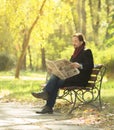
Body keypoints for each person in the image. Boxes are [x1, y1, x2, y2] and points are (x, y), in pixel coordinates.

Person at [31, 33, 94, 114]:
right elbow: (69, 67)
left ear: (81, 42)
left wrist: (80, 65)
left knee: (56, 80)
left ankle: (47, 98)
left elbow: (90, 65)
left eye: (76, 41)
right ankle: (47, 104)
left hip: (81, 79)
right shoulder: (75, 53)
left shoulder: (87, 51)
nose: (73, 43)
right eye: (73, 41)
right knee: (56, 76)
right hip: (72, 76)